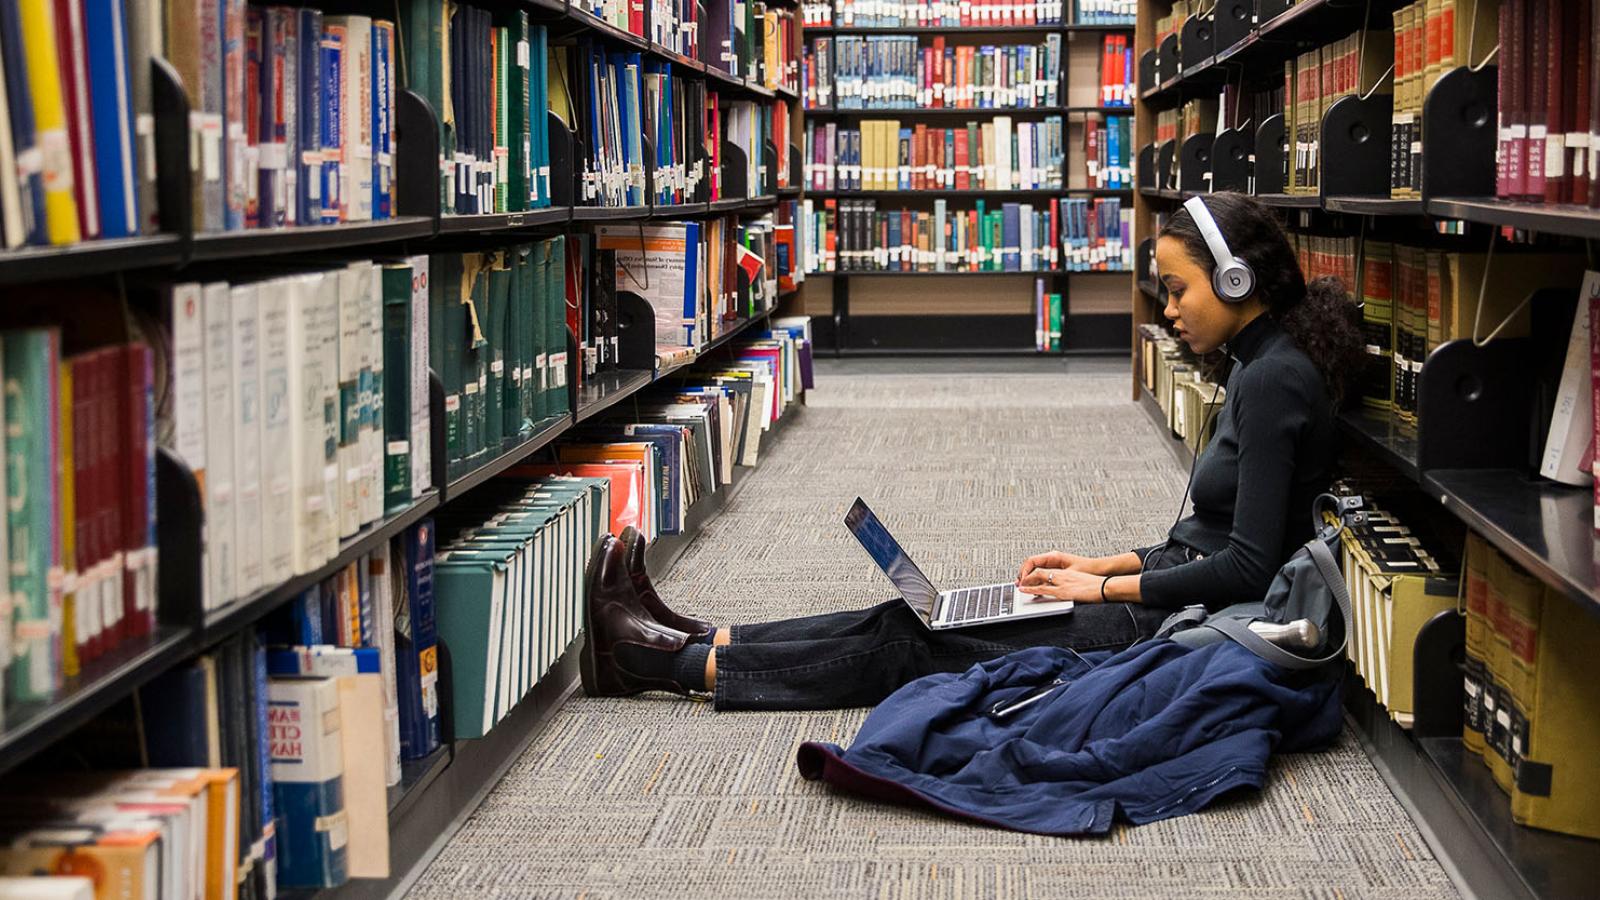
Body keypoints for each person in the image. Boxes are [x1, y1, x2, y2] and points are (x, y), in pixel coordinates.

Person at [579, 192, 1366, 711]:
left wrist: (1103, 594)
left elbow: (1247, 569)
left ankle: (661, 665)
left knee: (912, 644)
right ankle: (697, 635)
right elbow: (1211, 540)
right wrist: (1099, 566)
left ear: (1236, 281)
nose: (1168, 309)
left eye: (1178, 289)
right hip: (1150, 597)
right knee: (914, 614)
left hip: (1159, 629)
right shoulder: (1261, 364)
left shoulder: (1273, 384)